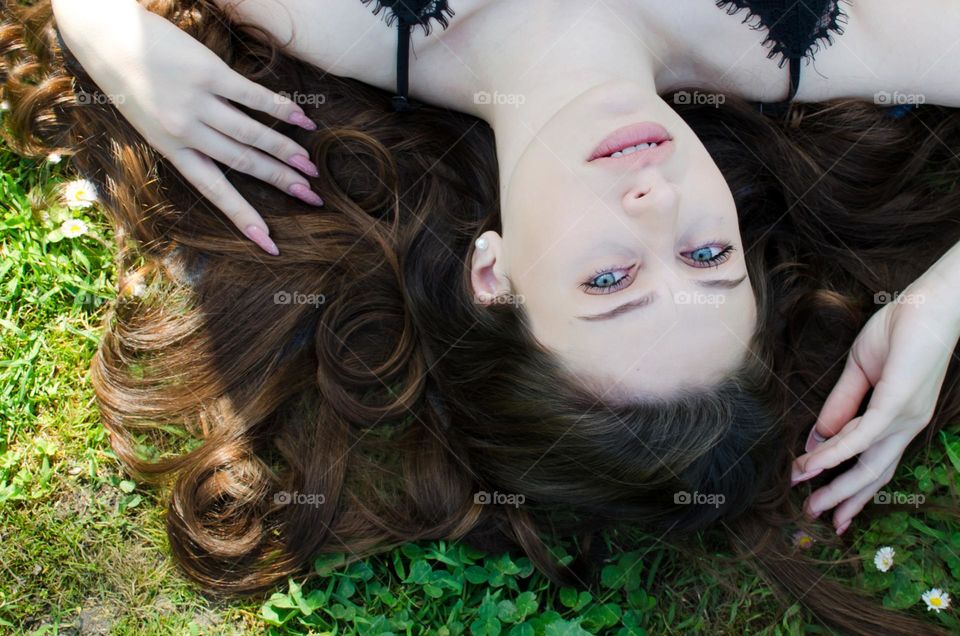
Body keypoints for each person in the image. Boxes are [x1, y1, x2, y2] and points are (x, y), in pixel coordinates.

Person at [4, 2, 960, 633]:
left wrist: (98, 25)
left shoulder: (336, 14)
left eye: (611, 279)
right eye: (709, 259)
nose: (659, 204)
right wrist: (941, 303)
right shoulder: (807, 39)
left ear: (493, 273)